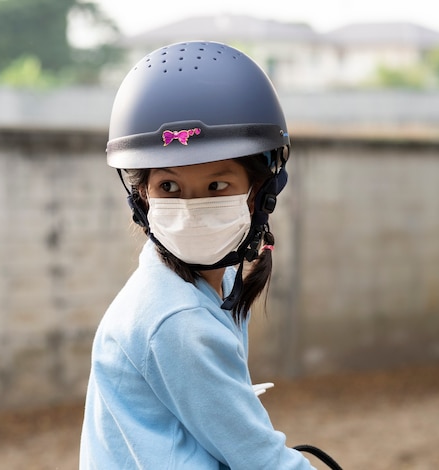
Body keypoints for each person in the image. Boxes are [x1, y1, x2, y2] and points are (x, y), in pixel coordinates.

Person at [79, 41, 316, 469]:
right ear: (142, 198)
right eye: (169, 187)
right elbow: (262, 461)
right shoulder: (177, 320)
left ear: (259, 193)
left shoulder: (212, 283)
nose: (190, 209)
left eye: (216, 186)